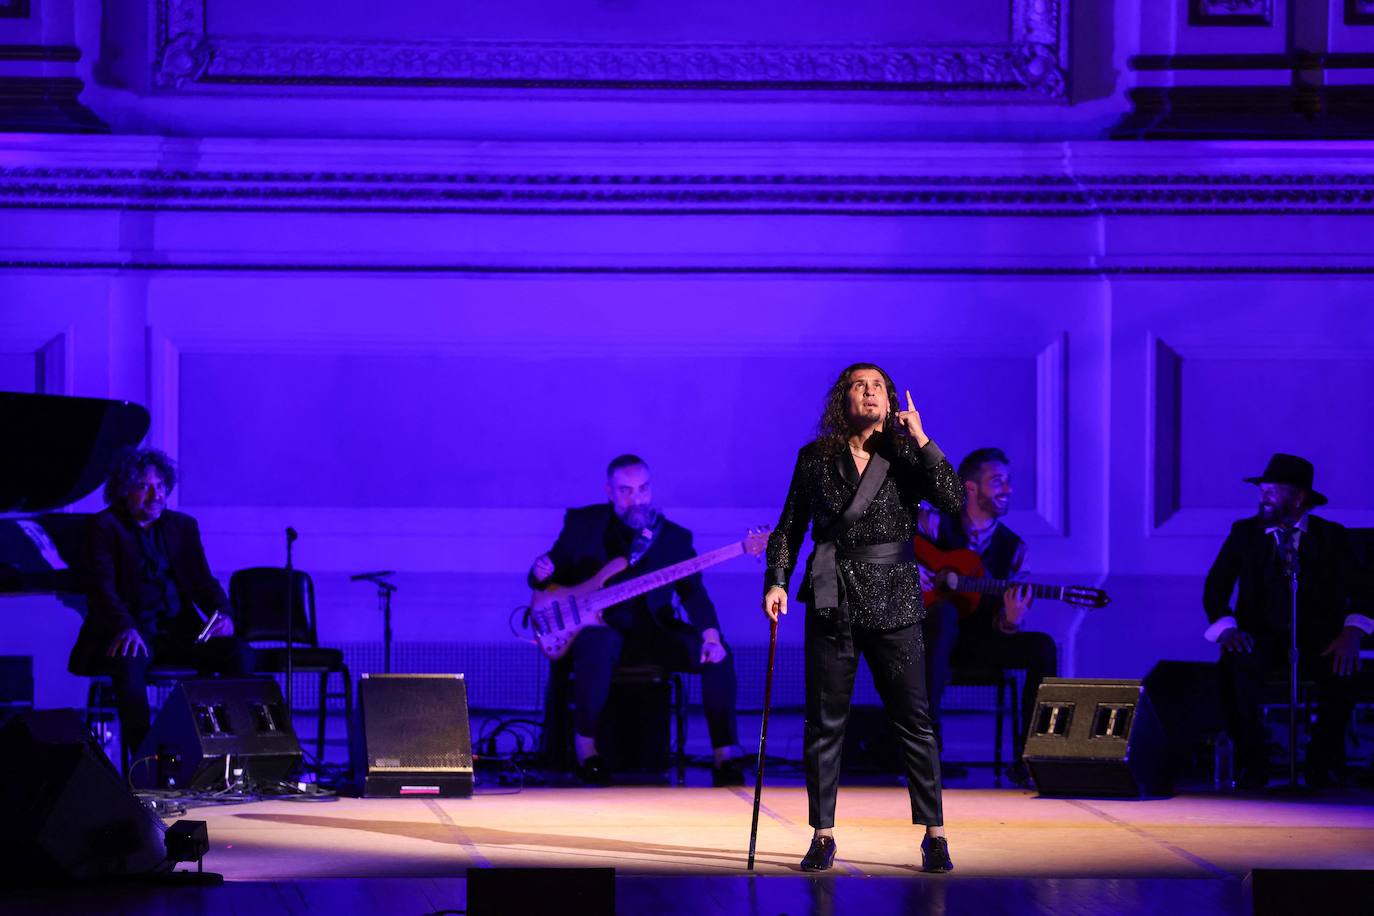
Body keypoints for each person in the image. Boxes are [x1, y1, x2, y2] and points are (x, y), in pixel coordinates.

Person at [763, 363, 964, 873]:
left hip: (895, 599)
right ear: (843, 399)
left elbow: (954, 500)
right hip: (833, 600)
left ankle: (934, 834)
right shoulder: (815, 459)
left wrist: (920, 435)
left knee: (915, 722)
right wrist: (778, 580)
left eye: (878, 386)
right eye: (860, 385)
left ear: (890, 399)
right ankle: (823, 833)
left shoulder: (903, 455)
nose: (870, 392)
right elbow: (788, 527)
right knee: (825, 723)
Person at [529, 454, 743, 786]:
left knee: (718, 653)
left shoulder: (673, 538)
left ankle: (725, 755)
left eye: (643, 489)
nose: (636, 498)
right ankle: (587, 750)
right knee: (599, 645)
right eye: (626, 490)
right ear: (609, 491)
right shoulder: (584, 524)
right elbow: (550, 573)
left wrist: (711, 636)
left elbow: (694, 594)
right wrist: (539, 573)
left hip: (655, 634)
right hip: (600, 632)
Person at [68, 448, 255, 767]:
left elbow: (202, 581)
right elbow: (102, 587)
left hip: (178, 632)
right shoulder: (104, 526)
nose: (156, 494)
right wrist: (124, 626)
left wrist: (224, 614)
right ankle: (146, 765)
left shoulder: (182, 526)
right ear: (124, 489)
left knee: (239, 653)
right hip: (131, 632)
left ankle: (235, 757)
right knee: (128, 664)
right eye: (144, 486)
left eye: (161, 485)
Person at [1204, 453, 1370, 789]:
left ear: (1299, 497)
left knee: (1344, 674)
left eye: (1272, 491)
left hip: (1320, 639)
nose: (1263, 498)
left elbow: (1364, 589)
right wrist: (1227, 629)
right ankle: (1254, 764)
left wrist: (1352, 632)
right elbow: (1216, 588)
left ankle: (1323, 764)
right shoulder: (1245, 534)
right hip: (1259, 638)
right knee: (1233, 672)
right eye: (1262, 491)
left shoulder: (1331, 536)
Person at [917, 447, 1057, 785]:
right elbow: (884, 537)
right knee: (946, 614)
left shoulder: (1014, 548)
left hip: (980, 639)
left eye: (1008, 482)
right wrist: (909, 572)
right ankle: (928, 752)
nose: (1007, 489)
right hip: (931, 637)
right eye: (997, 482)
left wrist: (1010, 620)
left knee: (1043, 647)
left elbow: (1005, 621)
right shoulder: (935, 523)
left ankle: (1032, 756)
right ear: (971, 488)